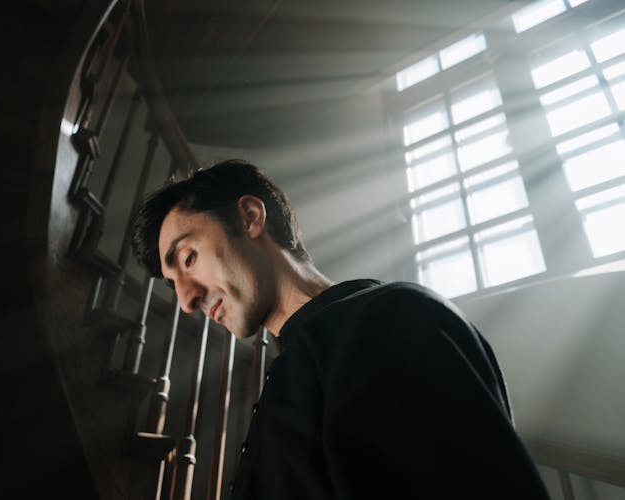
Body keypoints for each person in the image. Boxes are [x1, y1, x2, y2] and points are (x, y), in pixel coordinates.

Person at [131, 160, 550, 499]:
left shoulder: (390, 320)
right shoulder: (302, 364)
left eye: (188, 259)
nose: (186, 300)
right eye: (172, 286)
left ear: (249, 217)